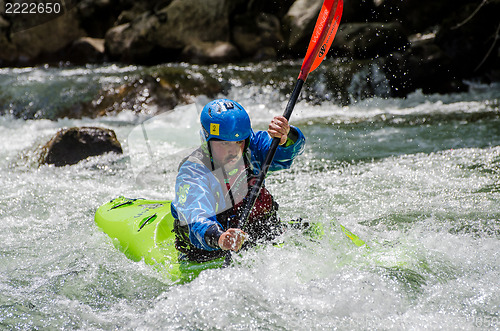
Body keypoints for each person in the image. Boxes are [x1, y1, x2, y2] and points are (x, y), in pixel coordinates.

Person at [171, 98, 305, 262]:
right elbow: (196, 215)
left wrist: (286, 137)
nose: (234, 151)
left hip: (254, 234)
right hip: (210, 249)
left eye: (239, 142)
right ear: (208, 141)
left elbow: (287, 154)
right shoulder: (194, 171)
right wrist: (220, 238)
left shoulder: (251, 146)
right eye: (225, 144)